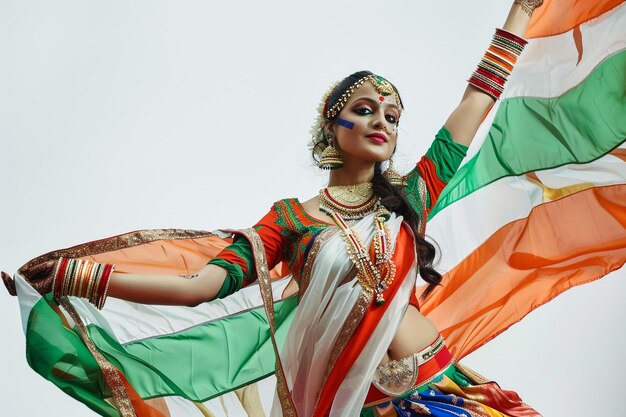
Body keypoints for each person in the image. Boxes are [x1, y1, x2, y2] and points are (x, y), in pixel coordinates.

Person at [6, 0, 620, 415]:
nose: (383, 122)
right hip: (351, 403)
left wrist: (518, 13)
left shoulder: (411, 196)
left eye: (393, 116)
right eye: (366, 109)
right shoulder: (290, 221)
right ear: (333, 125)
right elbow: (199, 287)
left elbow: (474, 105)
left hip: (443, 389)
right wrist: (78, 275)